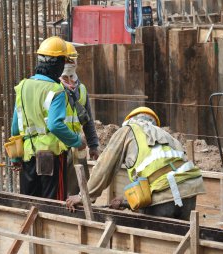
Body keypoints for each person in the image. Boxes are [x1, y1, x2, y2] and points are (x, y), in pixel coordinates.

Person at [66, 107, 205, 220]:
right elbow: (158, 173)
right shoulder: (168, 137)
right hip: (190, 191)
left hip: (164, 195)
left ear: (130, 121)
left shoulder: (128, 130)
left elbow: (104, 166)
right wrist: (126, 201)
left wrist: (83, 196)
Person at [11, 36, 85, 200]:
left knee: (29, 202)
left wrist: (15, 156)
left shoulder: (22, 87)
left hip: (28, 155)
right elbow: (54, 125)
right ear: (58, 64)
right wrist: (77, 141)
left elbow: (15, 126)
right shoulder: (56, 90)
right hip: (51, 156)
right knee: (53, 205)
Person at [60, 42, 99, 196]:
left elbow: (88, 121)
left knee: (78, 191)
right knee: (60, 193)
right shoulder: (52, 87)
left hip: (77, 147)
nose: (70, 62)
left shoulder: (80, 89)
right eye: (67, 59)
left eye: (72, 59)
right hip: (59, 148)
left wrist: (93, 144)